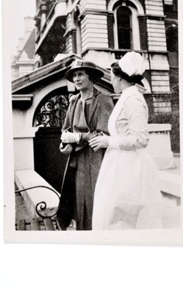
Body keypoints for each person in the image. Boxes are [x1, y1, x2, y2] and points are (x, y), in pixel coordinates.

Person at [89, 51, 162, 230]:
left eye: (112, 77)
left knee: (123, 215)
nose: (111, 81)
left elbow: (141, 139)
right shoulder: (126, 97)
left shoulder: (134, 100)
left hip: (131, 167)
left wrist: (109, 142)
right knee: (111, 214)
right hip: (119, 163)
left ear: (120, 78)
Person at [56, 59, 114, 230]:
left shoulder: (103, 99)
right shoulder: (74, 100)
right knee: (77, 202)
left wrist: (78, 137)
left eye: (80, 74)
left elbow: (104, 134)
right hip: (76, 160)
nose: (76, 78)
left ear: (92, 77)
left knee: (95, 200)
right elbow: (65, 130)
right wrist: (65, 141)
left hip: (96, 159)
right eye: (74, 75)